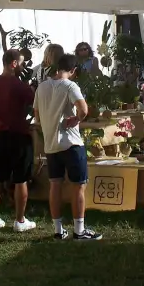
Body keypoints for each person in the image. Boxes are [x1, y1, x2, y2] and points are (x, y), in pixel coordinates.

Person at [33, 53, 102, 241]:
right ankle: (79, 230)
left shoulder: (41, 87)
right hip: (71, 143)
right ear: (73, 71)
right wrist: (76, 118)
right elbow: (84, 109)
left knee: (54, 185)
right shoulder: (70, 85)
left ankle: (58, 229)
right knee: (79, 186)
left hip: (50, 144)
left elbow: (36, 115)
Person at [0, 49, 36, 233]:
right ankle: (19, 221)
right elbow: (36, 108)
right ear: (14, 63)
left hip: (0, 136)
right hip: (20, 136)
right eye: (22, 62)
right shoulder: (21, 87)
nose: (24, 66)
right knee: (21, 180)